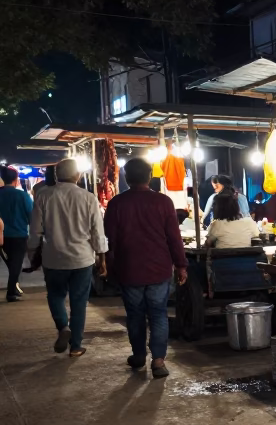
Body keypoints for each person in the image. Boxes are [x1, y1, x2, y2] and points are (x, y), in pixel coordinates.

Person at [104, 158, 188, 378]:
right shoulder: (163, 202)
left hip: (129, 267)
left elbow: (109, 240)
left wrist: (109, 267)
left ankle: (139, 355)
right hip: (158, 268)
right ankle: (158, 361)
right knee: (158, 314)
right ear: (150, 175)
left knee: (135, 315)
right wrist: (181, 265)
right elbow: (174, 238)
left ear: (126, 176)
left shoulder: (117, 204)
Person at [29, 158, 107, 357]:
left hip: (53, 257)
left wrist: (33, 254)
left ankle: (63, 327)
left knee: (55, 295)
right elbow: (97, 232)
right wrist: (102, 258)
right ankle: (76, 346)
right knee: (79, 302)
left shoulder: (43, 196)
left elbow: (35, 231)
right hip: (82, 259)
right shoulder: (88, 198)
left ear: (56, 176)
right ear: (78, 175)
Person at [0, 166, 34, 301]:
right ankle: (11, 292)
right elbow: (32, 215)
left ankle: (14, 289)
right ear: (16, 180)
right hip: (18, 235)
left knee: (11, 263)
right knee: (16, 263)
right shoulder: (22, 195)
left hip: (1, 236)